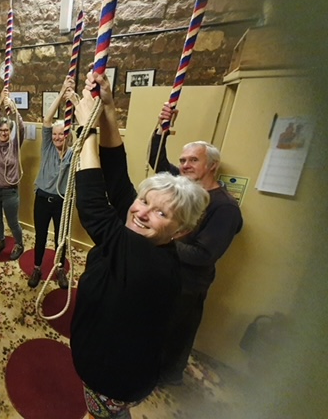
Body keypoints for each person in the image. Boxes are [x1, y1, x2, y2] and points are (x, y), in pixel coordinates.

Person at [70, 72, 209, 419]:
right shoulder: (144, 236)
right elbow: (118, 185)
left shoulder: (152, 262)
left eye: (161, 212)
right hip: (115, 368)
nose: (142, 212)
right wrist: (109, 113)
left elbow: (94, 210)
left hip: (113, 378)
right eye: (145, 201)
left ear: (179, 232)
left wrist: (86, 130)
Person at [149, 104, 243, 385]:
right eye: (183, 160)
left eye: (193, 160)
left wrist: (158, 240)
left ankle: (167, 378)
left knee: (176, 333)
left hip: (189, 284)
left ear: (212, 165)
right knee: (154, 326)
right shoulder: (183, 187)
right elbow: (157, 160)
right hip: (167, 272)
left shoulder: (225, 207)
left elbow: (203, 254)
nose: (185, 165)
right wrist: (160, 127)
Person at [30, 76, 75, 289]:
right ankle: (37, 268)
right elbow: (47, 120)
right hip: (42, 198)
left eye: (61, 134)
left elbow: (86, 129)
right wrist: (62, 92)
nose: (57, 137)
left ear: (67, 136)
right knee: (40, 236)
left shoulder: (73, 153)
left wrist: (74, 100)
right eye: (56, 135)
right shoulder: (47, 147)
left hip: (62, 201)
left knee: (61, 239)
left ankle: (59, 269)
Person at [0, 88, 26, 260]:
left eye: (6, 131)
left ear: (10, 132)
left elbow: (21, 127)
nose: (2, 133)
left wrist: (14, 109)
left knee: (13, 222)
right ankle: (0, 241)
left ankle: (19, 244)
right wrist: (0, 102)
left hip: (10, 191)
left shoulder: (15, 146)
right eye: (0, 130)